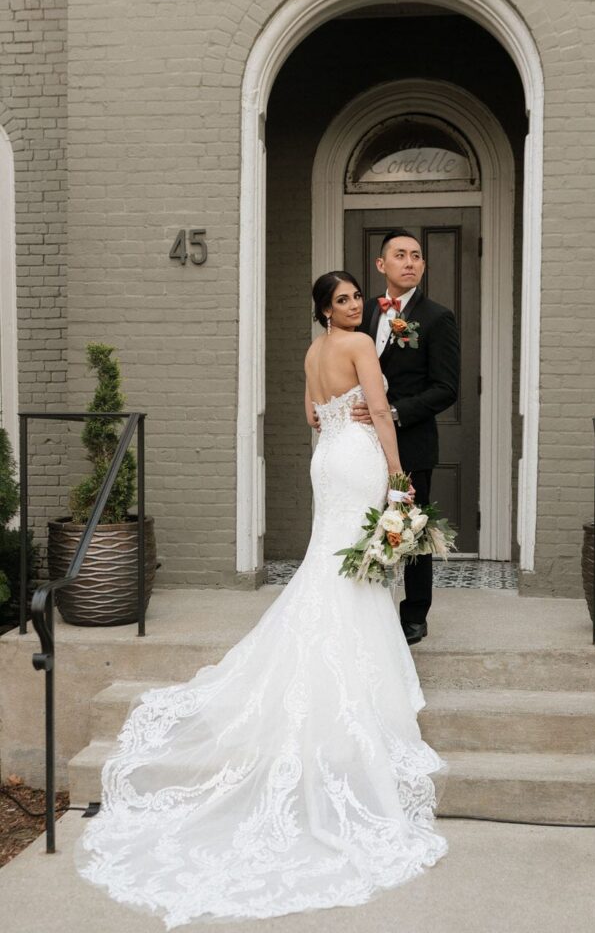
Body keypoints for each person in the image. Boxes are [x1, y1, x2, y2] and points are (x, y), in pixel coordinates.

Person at [74, 270, 448, 929]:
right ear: (327, 310)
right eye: (343, 300)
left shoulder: (311, 352)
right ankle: (363, 692)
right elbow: (383, 411)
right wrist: (397, 478)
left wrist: (342, 424)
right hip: (359, 458)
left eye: (358, 296)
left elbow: (311, 414)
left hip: (328, 457)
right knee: (352, 574)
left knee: (331, 570)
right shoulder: (359, 343)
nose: (355, 304)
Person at [352, 229, 459, 646]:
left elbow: (447, 388)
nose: (410, 262)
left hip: (412, 441)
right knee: (363, 524)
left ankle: (415, 614)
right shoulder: (363, 316)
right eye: (400, 255)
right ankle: (364, 607)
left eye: (417, 256)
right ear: (382, 265)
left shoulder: (437, 318)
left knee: (411, 531)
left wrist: (393, 413)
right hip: (361, 445)